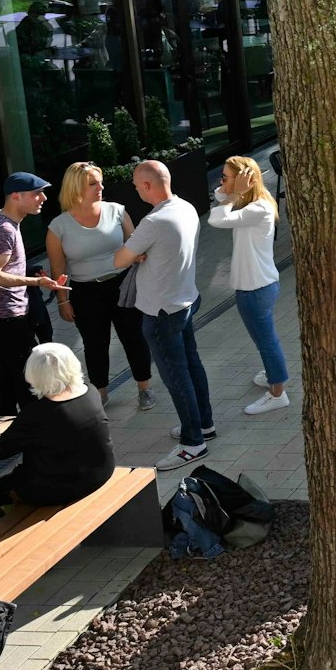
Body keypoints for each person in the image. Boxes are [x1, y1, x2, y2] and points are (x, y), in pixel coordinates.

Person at [115, 160, 215, 471]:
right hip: (185, 300)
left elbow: (120, 259)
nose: (133, 187)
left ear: (147, 186)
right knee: (192, 365)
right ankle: (204, 424)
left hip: (160, 312)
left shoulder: (153, 222)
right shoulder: (185, 206)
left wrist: (137, 252)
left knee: (175, 376)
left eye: (135, 183)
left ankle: (192, 442)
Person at [0, 343, 112, 509]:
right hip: (100, 473)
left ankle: (13, 532)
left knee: (1, 488)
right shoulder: (90, 391)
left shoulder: (38, 413)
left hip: (63, 489)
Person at [46, 162, 153, 409]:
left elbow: (136, 245)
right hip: (85, 291)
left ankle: (145, 388)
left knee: (135, 338)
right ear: (76, 188)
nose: (100, 187)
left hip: (124, 285)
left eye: (100, 181)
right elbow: (58, 269)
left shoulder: (116, 211)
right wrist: (63, 301)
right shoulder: (58, 226)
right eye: (93, 183)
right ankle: (100, 393)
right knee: (95, 344)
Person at [0, 171, 62, 418]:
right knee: (27, 378)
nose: (43, 198)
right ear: (15, 196)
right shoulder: (3, 229)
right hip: (6, 318)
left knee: (6, 374)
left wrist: (28, 273)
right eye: (36, 193)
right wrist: (36, 281)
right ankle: (33, 435)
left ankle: (5, 425)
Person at [208, 156, 289, 416]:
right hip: (253, 286)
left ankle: (278, 392)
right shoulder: (251, 203)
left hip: (256, 289)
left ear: (245, 180)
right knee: (261, 339)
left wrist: (234, 194)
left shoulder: (257, 208)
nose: (221, 182)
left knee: (266, 341)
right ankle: (272, 374)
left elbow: (216, 219)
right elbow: (219, 199)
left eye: (226, 177)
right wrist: (231, 190)